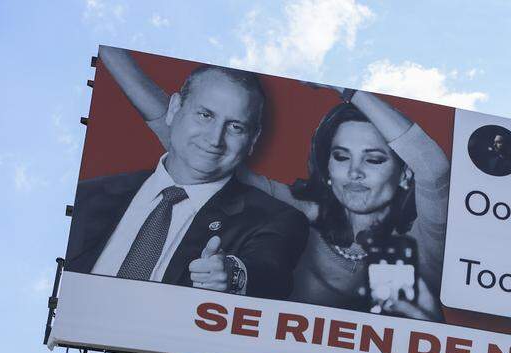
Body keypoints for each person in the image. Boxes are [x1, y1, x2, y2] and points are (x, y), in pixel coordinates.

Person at [98, 46, 447, 320]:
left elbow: (434, 169)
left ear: (404, 173)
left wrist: (349, 90)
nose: (354, 173)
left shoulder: (425, 238)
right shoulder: (295, 213)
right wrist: (111, 55)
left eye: (373, 160)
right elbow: (194, 147)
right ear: (327, 166)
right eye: (342, 157)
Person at [66, 62, 309, 300]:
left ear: (253, 140)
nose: (215, 139)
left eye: (235, 127)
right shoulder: (86, 195)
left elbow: (270, 273)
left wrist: (233, 275)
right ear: (173, 109)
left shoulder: (277, 220)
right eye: (205, 115)